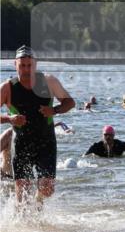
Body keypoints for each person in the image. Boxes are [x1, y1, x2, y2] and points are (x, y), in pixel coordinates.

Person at [0, 46, 76, 203]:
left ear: (35, 65)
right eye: (22, 66)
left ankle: (38, 200)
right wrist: (9, 118)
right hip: (21, 143)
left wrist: (54, 110)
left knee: (47, 189)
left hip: (46, 142)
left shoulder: (49, 81)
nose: (26, 70)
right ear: (15, 65)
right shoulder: (7, 87)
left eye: (30, 65)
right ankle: (22, 224)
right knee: (22, 193)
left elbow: (70, 102)